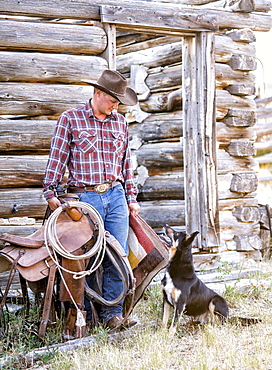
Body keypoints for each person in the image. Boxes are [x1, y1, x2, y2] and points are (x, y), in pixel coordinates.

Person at [43, 69, 140, 329]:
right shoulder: (70, 120)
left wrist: (131, 197)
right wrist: (50, 192)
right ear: (98, 94)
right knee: (84, 258)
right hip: (85, 197)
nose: (116, 106)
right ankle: (83, 314)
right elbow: (57, 157)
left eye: (119, 102)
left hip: (116, 194)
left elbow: (126, 164)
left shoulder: (120, 123)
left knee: (118, 254)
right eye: (113, 100)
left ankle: (113, 315)